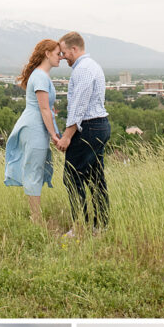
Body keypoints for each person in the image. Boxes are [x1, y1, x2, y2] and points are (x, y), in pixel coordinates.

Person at [56, 31, 110, 234]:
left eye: (63, 53)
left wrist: (67, 137)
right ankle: (100, 226)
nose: (62, 57)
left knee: (72, 176)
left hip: (88, 128)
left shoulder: (83, 70)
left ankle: (80, 227)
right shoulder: (91, 66)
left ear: (74, 49)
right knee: (95, 177)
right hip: (99, 126)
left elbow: (79, 107)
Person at [4, 39, 62, 224]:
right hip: (33, 127)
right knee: (33, 170)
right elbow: (44, 109)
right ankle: (36, 219)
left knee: (35, 169)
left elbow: (48, 109)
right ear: (47, 54)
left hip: (37, 126)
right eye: (57, 53)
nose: (60, 57)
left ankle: (36, 217)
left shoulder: (42, 76)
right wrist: (54, 134)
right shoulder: (39, 77)